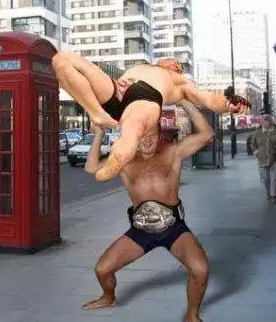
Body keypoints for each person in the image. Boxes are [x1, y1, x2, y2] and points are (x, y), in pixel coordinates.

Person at [82, 100, 215, 322]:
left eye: (151, 135)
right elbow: (92, 168)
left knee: (200, 269)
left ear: (160, 134)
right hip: (140, 232)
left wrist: (184, 100)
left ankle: (192, 315)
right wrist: (99, 134)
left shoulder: (173, 152)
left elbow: (207, 134)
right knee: (102, 270)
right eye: (141, 135)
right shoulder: (124, 161)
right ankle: (108, 297)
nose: (146, 140)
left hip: (174, 229)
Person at [51, 53, 250, 181]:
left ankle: (118, 157)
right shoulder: (143, 67)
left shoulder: (180, 82)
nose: (175, 64)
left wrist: (227, 104)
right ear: (160, 62)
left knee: (133, 130)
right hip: (116, 89)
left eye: (178, 66)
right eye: (172, 61)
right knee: (63, 60)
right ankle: (97, 113)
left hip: (145, 96)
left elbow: (208, 98)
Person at [251, 114, 276, 204]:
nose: (266, 122)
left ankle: (273, 196)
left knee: (274, 178)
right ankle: (268, 193)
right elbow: (253, 144)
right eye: (264, 120)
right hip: (262, 159)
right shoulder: (258, 132)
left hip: (274, 158)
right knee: (265, 179)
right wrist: (256, 152)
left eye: (267, 120)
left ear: (271, 121)